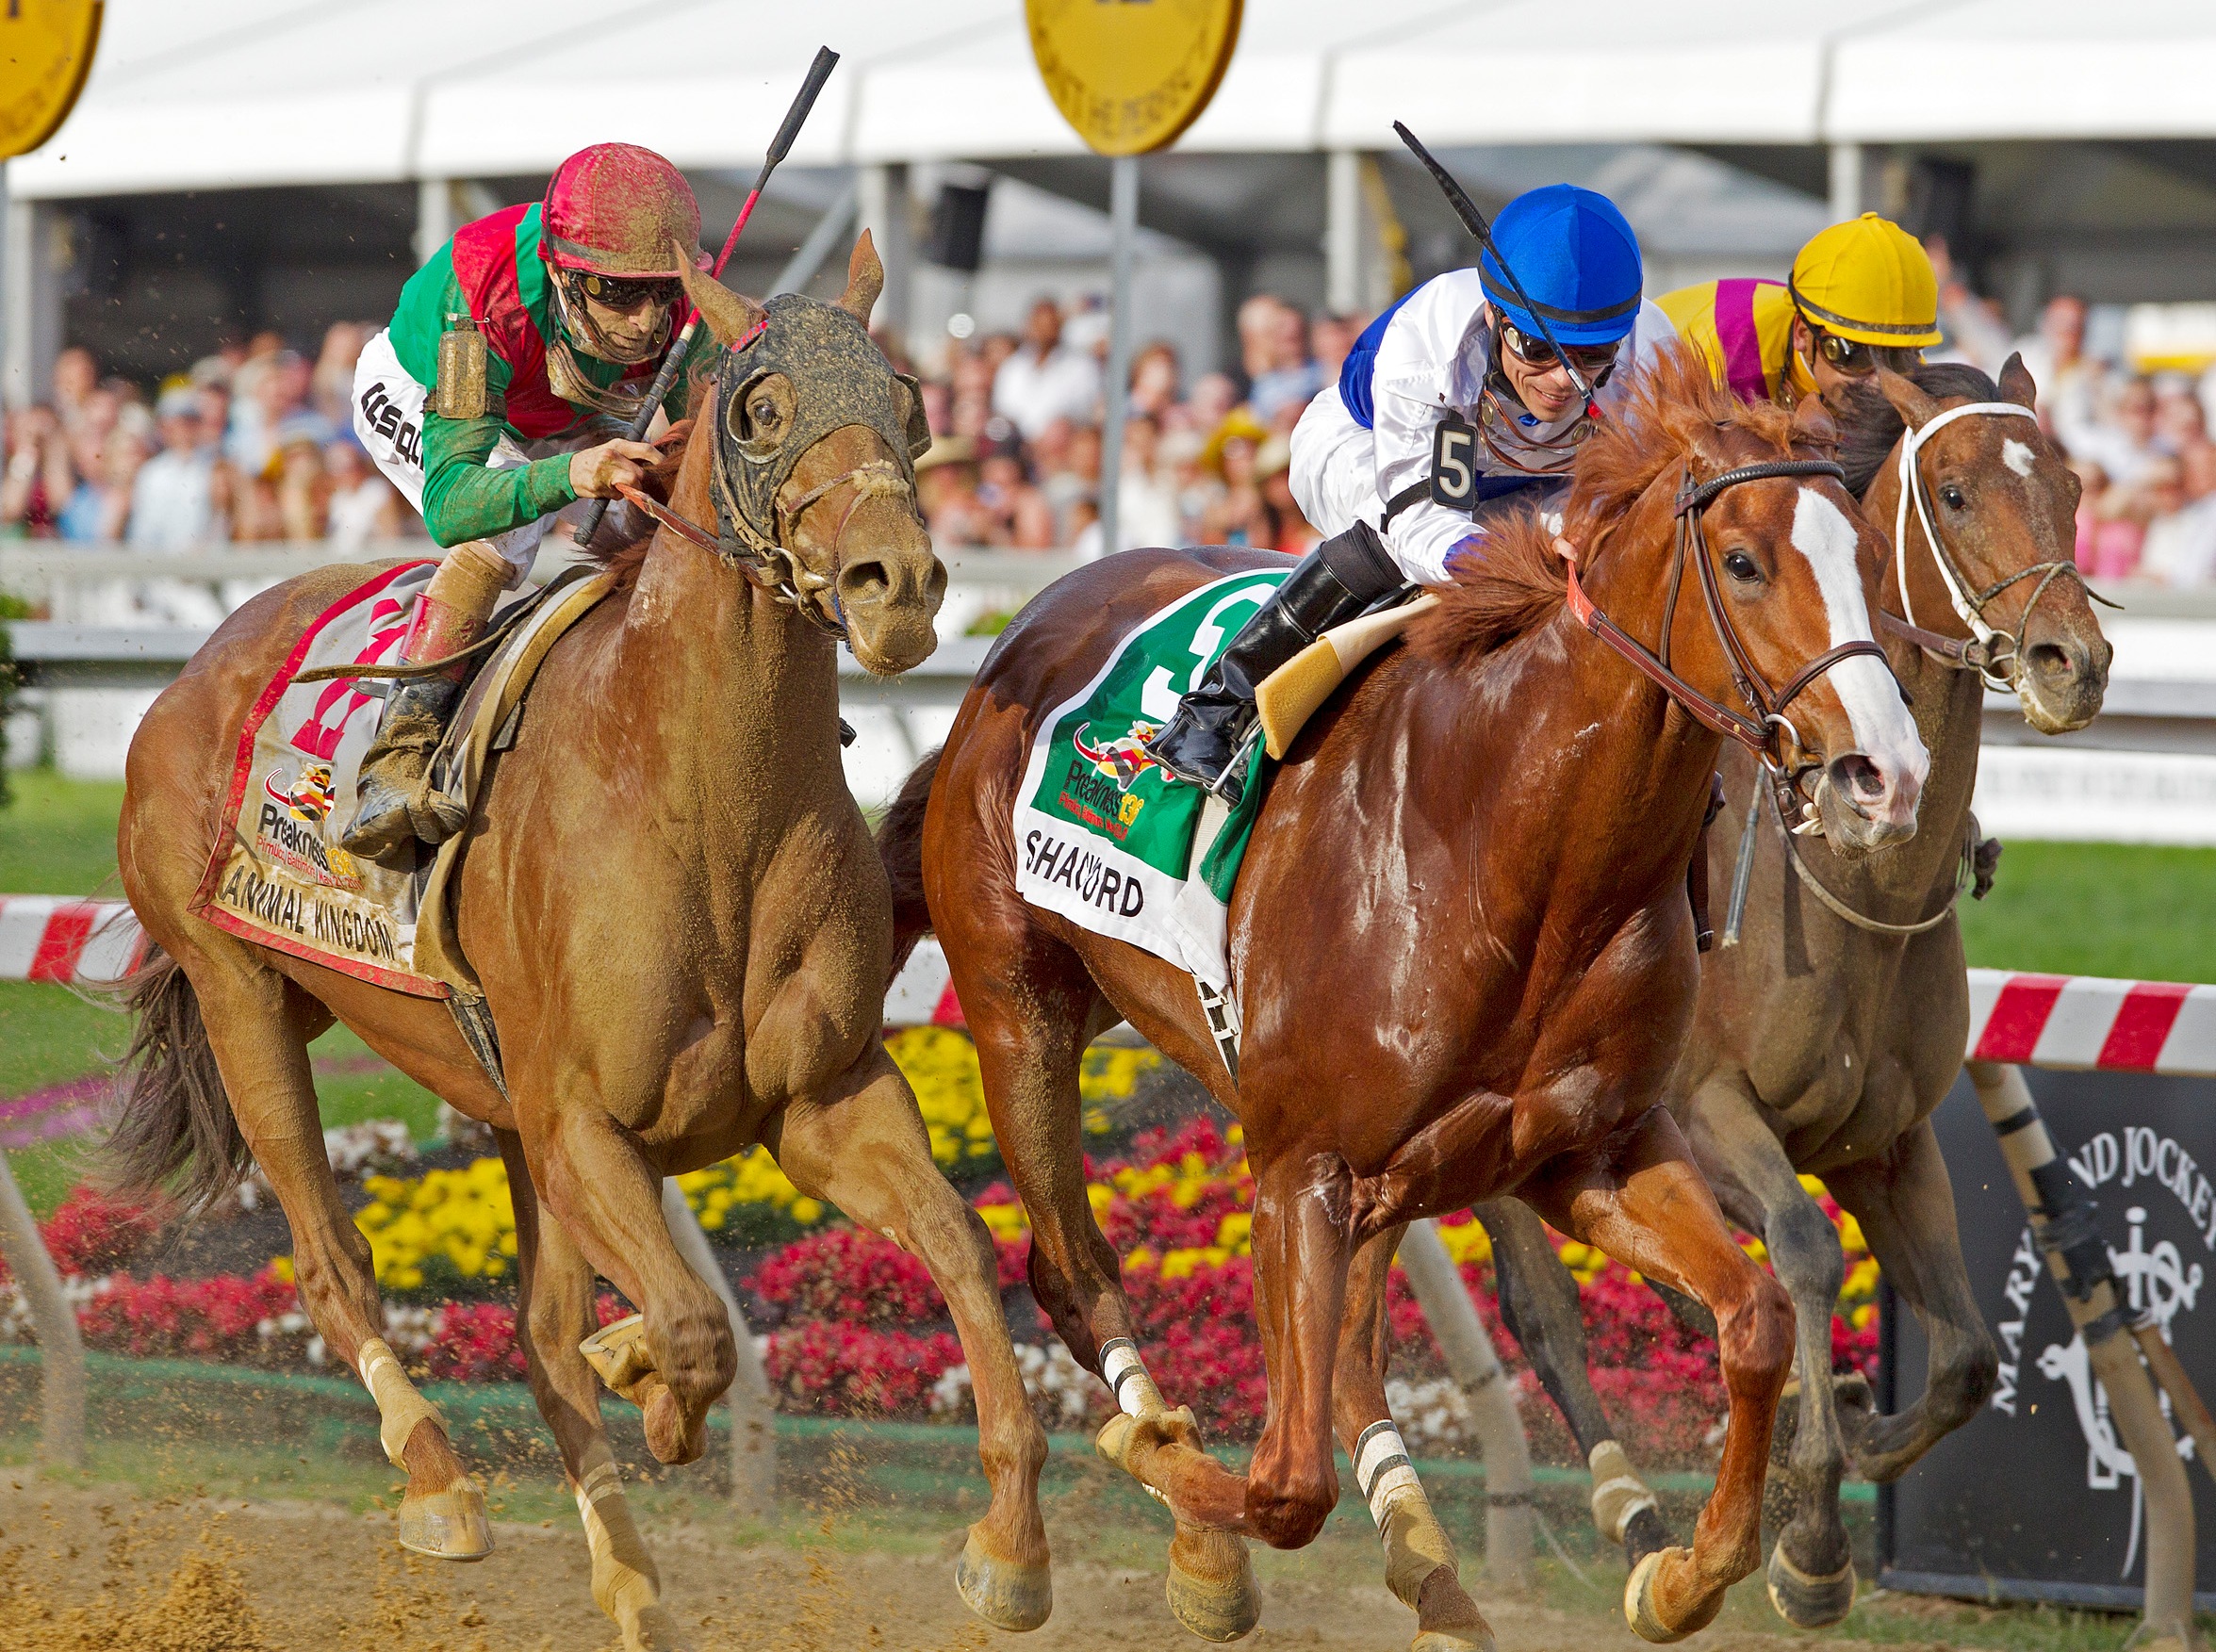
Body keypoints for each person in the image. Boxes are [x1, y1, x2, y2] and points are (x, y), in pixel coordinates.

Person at [1147, 184, 1668, 799]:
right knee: (1393, 538)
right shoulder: (1430, 340)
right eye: (1536, 349)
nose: (1564, 380)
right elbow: (1420, 519)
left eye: (1591, 357)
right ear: (1497, 317)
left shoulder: (1651, 353)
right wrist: (1506, 558)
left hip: (1532, 481)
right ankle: (1217, 707)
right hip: (1368, 450)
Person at [343, 141, 718, 863]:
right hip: (423, 394)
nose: (645, 320)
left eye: (661, 291)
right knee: (505, 537)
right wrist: (570, 477)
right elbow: (452, 505)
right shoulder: (479, 298)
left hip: (557, 412)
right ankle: (400, 755)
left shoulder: (682, 300)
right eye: (618, 294)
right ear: (560, 270)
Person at [1656, 213, 1941, 412]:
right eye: (1857, 354)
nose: (1882, 382)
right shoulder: (1726, 364)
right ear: (1803, 334)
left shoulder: (1913, 378)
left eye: (1898, 357)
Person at [991, 298, 1100, 441]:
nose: (1044, 330)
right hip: (1018, 446)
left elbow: (1084, 410)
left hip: (1062, 444)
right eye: (1039, 323)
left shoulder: (1082, 366)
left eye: (1050, 323)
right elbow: (1003, 410)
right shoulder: (1012, 367)